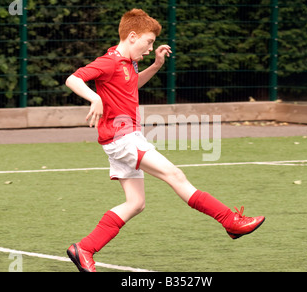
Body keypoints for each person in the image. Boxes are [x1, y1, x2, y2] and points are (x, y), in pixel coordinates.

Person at [65, 8, 265, 272]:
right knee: (175, 175)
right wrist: (95, 97)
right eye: (148, 42)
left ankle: (84, 249)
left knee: (136, 204)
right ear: (133, 36)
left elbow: (130, 85)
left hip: (123, 138)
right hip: (122, 137)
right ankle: (231, 221)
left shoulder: (128, 62)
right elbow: (73, 78)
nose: (150, 48)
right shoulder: (110, 61)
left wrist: (156, 65)